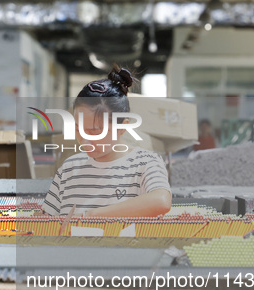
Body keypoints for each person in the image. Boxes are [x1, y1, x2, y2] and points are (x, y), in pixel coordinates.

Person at [42, 65, 172, 218]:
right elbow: (45, 220)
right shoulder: (69, 168)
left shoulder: (145, 164)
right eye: (78, 129)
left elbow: (161, 201)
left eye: (95, 131)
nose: (85, 141)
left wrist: (90, 216)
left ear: (123, 127)